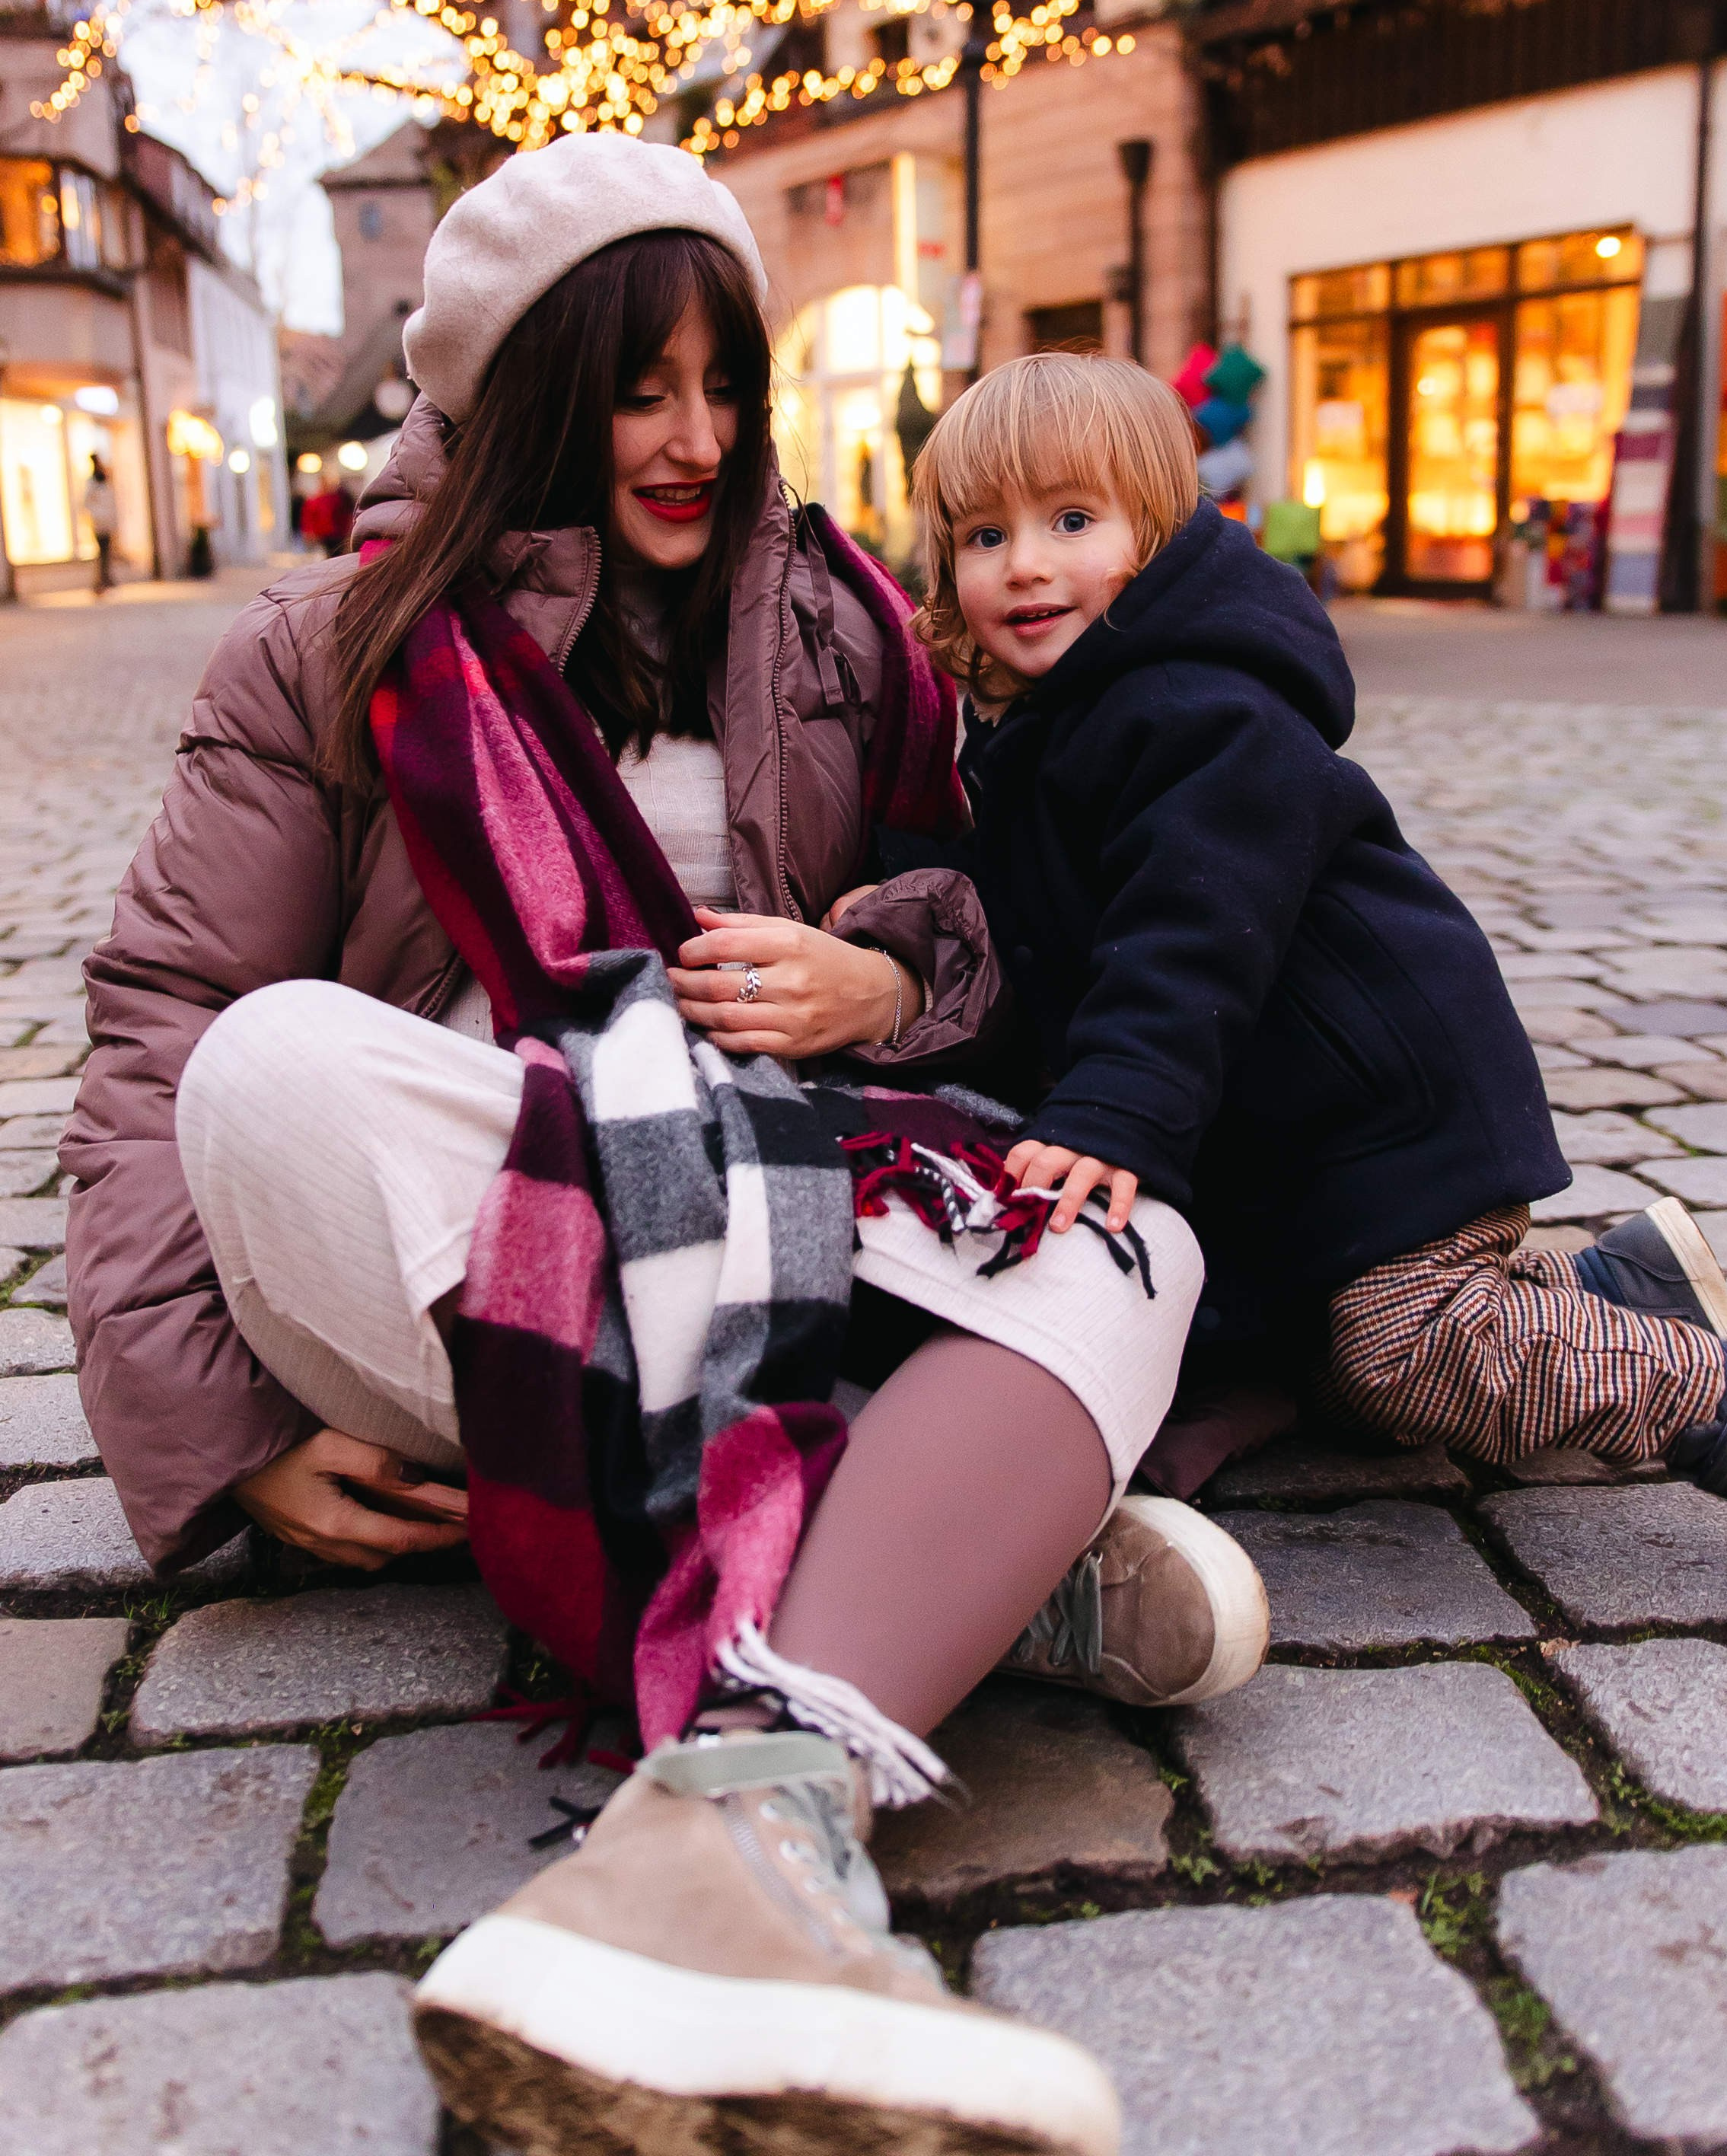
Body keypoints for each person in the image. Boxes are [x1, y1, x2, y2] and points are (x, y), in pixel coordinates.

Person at [62, 137, 1268, 2156]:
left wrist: (885, 976)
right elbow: (162, 1016)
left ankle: (738, 1832)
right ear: (529, 393)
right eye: (638, 390)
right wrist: (215, 1423)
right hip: (495, 1237)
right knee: (264, 1068)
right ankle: (945, 1547)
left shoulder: (846, 631)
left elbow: (1005, 914)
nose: (697, 439)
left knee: (1126, 1233)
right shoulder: (327, 648)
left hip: (781, 1196)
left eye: (725, 385)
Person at [870, 349, 1727, 1491]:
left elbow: (1188, 935)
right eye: (985, 536)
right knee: (1326, 1365)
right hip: (1284, 1147)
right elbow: (1027, 899)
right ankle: (1611, 1286)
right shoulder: (1042, 723)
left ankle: (1699, 1394)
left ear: (1159, 532)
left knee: (1399, 1357)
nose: (1024, 563)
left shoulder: (1203, 712)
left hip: (1385, 1126)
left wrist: (1114, 1110)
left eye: (1072, 521)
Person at [83, 454, 116, 594]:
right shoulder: (92, 483)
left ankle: (106, 579)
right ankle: (101, 581)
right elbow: (87, 503)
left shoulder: (104, 481)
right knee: (102, 551)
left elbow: (111, 502)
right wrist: (96, 516)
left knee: (106, 551)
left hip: (106, 522)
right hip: (99, 523)